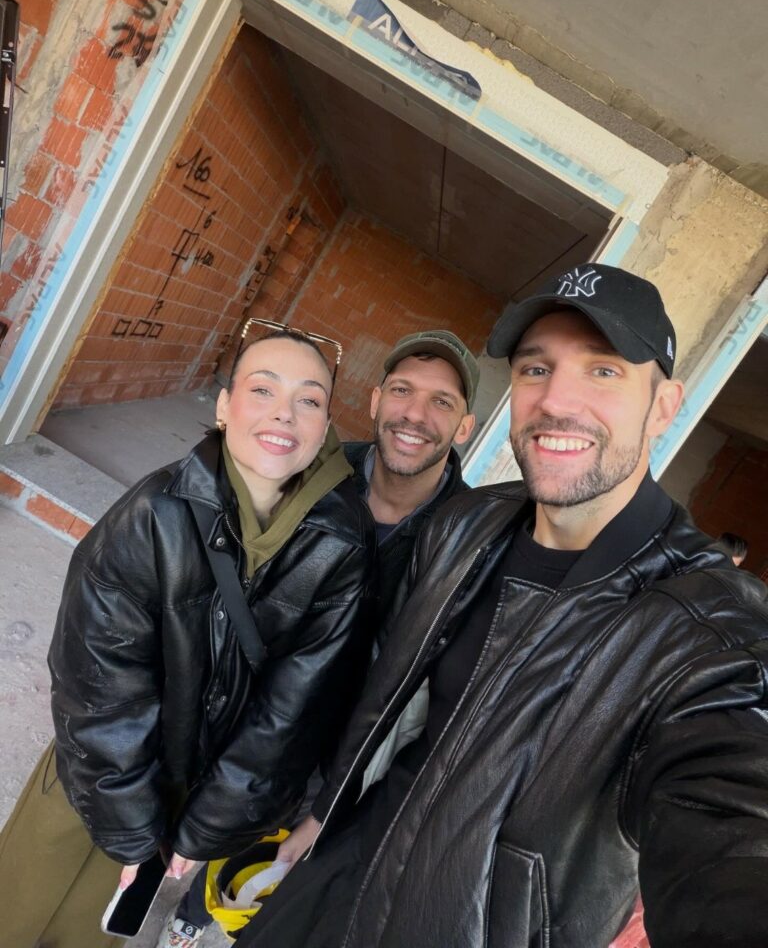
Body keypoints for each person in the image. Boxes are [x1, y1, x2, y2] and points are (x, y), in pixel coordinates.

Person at [237, 265, 768, 948]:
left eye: (603, 371)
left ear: (664, 406)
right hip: (337, 875)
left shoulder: (708, 627)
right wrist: (325, 811)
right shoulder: (464, 525)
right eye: (536, 369)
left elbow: (731, 820)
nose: (557, 400)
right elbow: (392, 705)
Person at [0, 319, 376, 948]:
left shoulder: (342, 544)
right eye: (262, 389)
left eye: (309, 400)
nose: (284, 414)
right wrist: (131, 827)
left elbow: (293, 709)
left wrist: (209, 825)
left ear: (325, 425)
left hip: (193, 801)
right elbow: (98, 682)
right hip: (96, 779)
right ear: (225, 407)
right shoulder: (154, 512)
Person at [344, 329, 478, 635]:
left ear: (464, 428)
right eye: (402, 390)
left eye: (442, 402)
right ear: (375, 401)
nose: (415, 415)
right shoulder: (315, 472)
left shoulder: (471, 536)